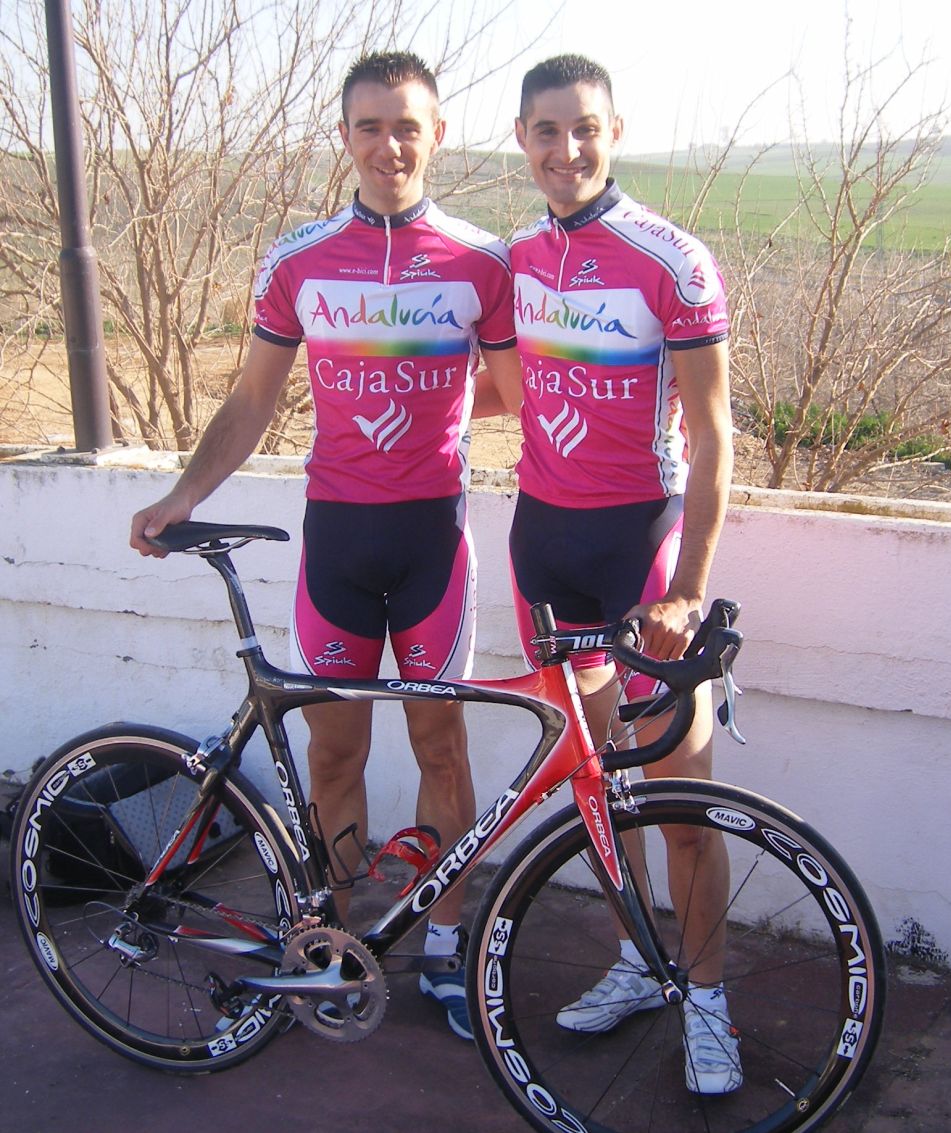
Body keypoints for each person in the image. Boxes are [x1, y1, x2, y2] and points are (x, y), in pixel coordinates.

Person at [131, 51, 520, 1041]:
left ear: (437, 134)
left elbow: (524, 394)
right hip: (337, 540)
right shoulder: (299, 259)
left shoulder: (481, 261)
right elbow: (251, 399)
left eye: (407, 125)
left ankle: (443, 941)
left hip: (433, 541)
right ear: (344, 136)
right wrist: (183, 494)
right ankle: (341, 944)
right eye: (369, 126)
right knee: (335, 751)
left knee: (441, 747)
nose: (390, 145)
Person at [507, 55, 740, 1094]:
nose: (569, 150)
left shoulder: (672, 260)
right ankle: (639, 963)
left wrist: (687, 587)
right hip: (543, 545)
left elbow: (717, 436)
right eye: (548, 131)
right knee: (595, 792)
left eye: (586, 128)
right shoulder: (515, 258)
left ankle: (710, 999)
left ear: (614, 131)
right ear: (523, 138)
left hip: (641, 550)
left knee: (680, 801)